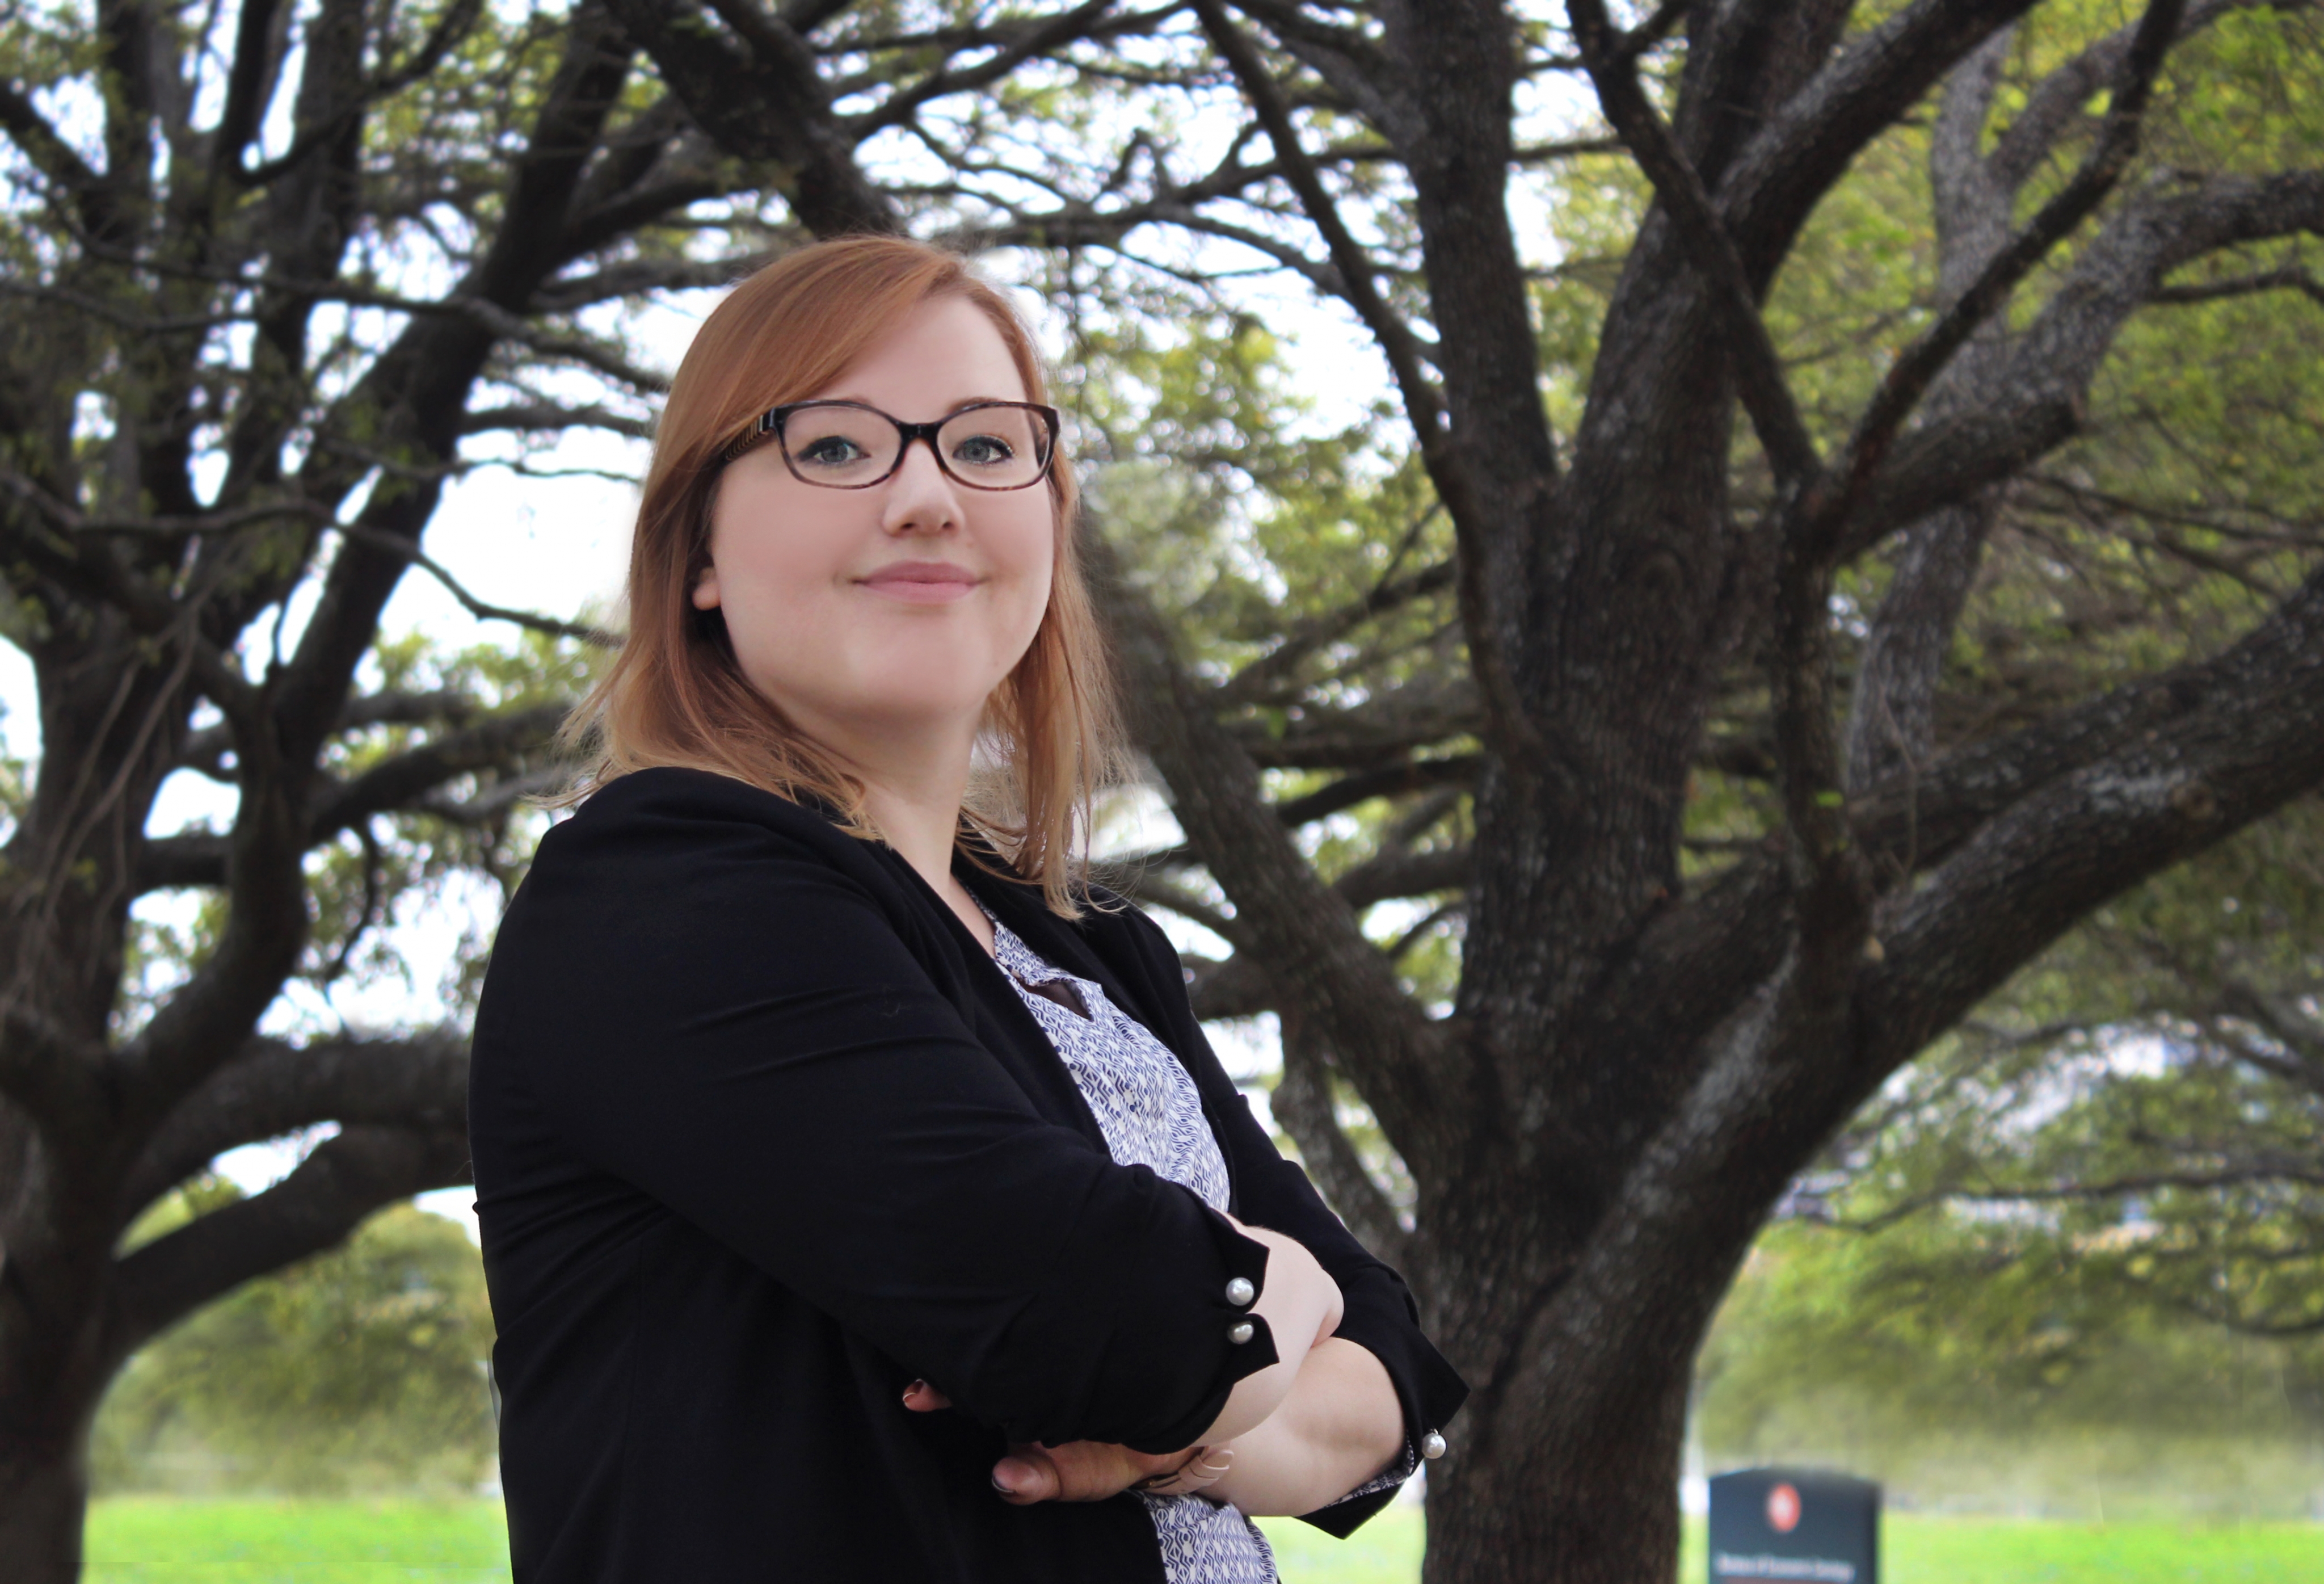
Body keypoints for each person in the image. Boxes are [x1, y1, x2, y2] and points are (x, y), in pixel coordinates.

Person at [468, 235, 1468, 1583]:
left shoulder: (1093, 950)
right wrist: (1282, 1289)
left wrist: (1219, 1412)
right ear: (696, 549)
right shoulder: (664, 897)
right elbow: (1119, 1324)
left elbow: (1395, 1359)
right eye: (834, 447)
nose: (929, 496)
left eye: (990, 449)